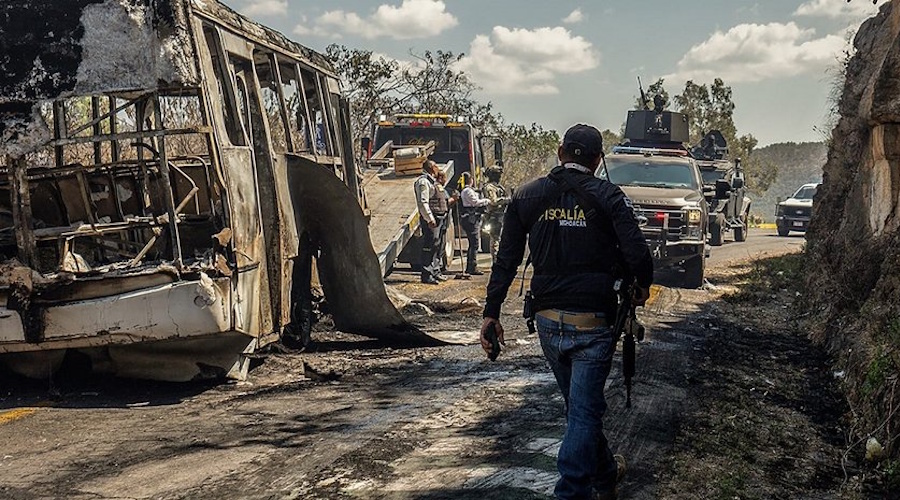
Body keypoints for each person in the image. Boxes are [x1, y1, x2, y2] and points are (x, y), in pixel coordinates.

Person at [480, 124, 653, 500]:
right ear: (597, 160)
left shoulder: (526, 195)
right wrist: (642, 286)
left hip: (546, 322)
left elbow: (506, 260)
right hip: (593, 324)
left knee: (579, 411)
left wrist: (491, 312)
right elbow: (638, 253)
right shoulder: (609, 196)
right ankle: (571, 492)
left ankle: (606, 477)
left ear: (560, 152)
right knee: (584, 413)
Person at [414, 160, 449, 284]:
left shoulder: (433, 181)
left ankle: (435, 271)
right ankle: (427, 274)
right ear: (431, 168)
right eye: (436, 166)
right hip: (432, 219)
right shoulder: (423, 182)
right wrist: (429, 219)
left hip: (439, 217)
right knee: (429, 246)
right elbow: (423, 202)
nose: (438, 169)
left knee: (437, 246)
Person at [459, 171, 490, 275]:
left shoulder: (466, 191)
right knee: (474, 243)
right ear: (470, 180)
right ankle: (472, 267)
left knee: (473, 243)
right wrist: (486, 201)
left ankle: (470, 266)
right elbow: (475, 202)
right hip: (471, 219)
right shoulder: (468, 191)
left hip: (470, 218)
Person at [481, 164, 509, 265]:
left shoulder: (498, 186)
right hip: (494, 216)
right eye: (498, 175)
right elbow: (493, 201)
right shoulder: (489, 187)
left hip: (501, 215)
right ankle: (496, 261)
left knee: (502, 239)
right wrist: (506, 200)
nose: (499, 177)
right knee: (495, 239)